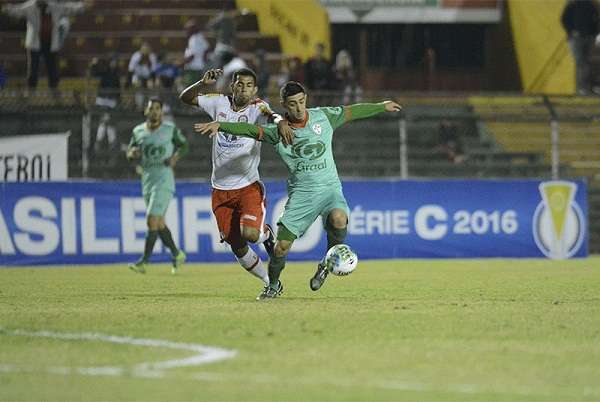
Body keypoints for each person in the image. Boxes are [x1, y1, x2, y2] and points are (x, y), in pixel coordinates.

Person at [194, 81, 401, 300]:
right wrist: (221, 125)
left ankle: (326, 264)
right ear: (284, 104)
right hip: (302, 194)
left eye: (302, 101)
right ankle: (273, 285)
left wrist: (381, 106)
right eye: (292, 104)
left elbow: (352, 111)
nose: (299, 107)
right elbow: (251, 130)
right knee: (281, 248)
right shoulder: (278, 132)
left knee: (339, 219)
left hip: (330, 189)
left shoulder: (324, 117)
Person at [179, 68, 294, 288]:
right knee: (238, 246)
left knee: (251, 234)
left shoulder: (257, 106)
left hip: (247, 186)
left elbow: (273, 115)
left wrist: (280, 122)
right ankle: (270, 282)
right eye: (240, 84)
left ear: (255, 90)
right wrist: (202, 83)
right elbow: (185, 98)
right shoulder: (218, 102)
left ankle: (265, 235)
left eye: (249, 85)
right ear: (232, 86)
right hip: (220, 190)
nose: (244, 89)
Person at [126, 98, 188, 275]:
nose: (154, 111)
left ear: (161, 111)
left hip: (164, 179)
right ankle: (177, 254)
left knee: (151, 220)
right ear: (146, 111)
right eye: (151, 108)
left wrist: (175, 158)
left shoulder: (170, 129)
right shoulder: (138, 131)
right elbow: (129, 153)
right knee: (159, 223)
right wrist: (132, 153)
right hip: (147, 179)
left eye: (157, 108)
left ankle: (144, 262)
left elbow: (184, 146)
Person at [1, 0, 90, 92]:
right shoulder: (30, 7)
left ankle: (54, 90)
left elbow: (68, 8)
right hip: (35, 43)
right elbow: (17, 11)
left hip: (51, 43)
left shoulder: (54, 6)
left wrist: (83, 5)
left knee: (52, 68)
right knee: (33, 69)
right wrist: (5, 8)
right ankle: (31, 91)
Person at [561, 0, 600, 94]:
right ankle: (581, 89)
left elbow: (597, 20)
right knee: (581, 63)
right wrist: (572, 31)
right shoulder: (572, 4)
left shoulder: (591, 5)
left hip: (588, 38)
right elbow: (564, 19)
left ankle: (585, 89)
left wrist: (594, 34)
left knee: (586, 63)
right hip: (576, 39)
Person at [182, 19, 209, 87]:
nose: (186, 31)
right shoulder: (200, 37)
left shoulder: (194, 39)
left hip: (193, 69)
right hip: (199, 68)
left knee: (190, 90)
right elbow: (207, 49)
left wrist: (180, 63)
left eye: (187, 29)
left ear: (193, 29)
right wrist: (203, 61)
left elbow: (192, 56)